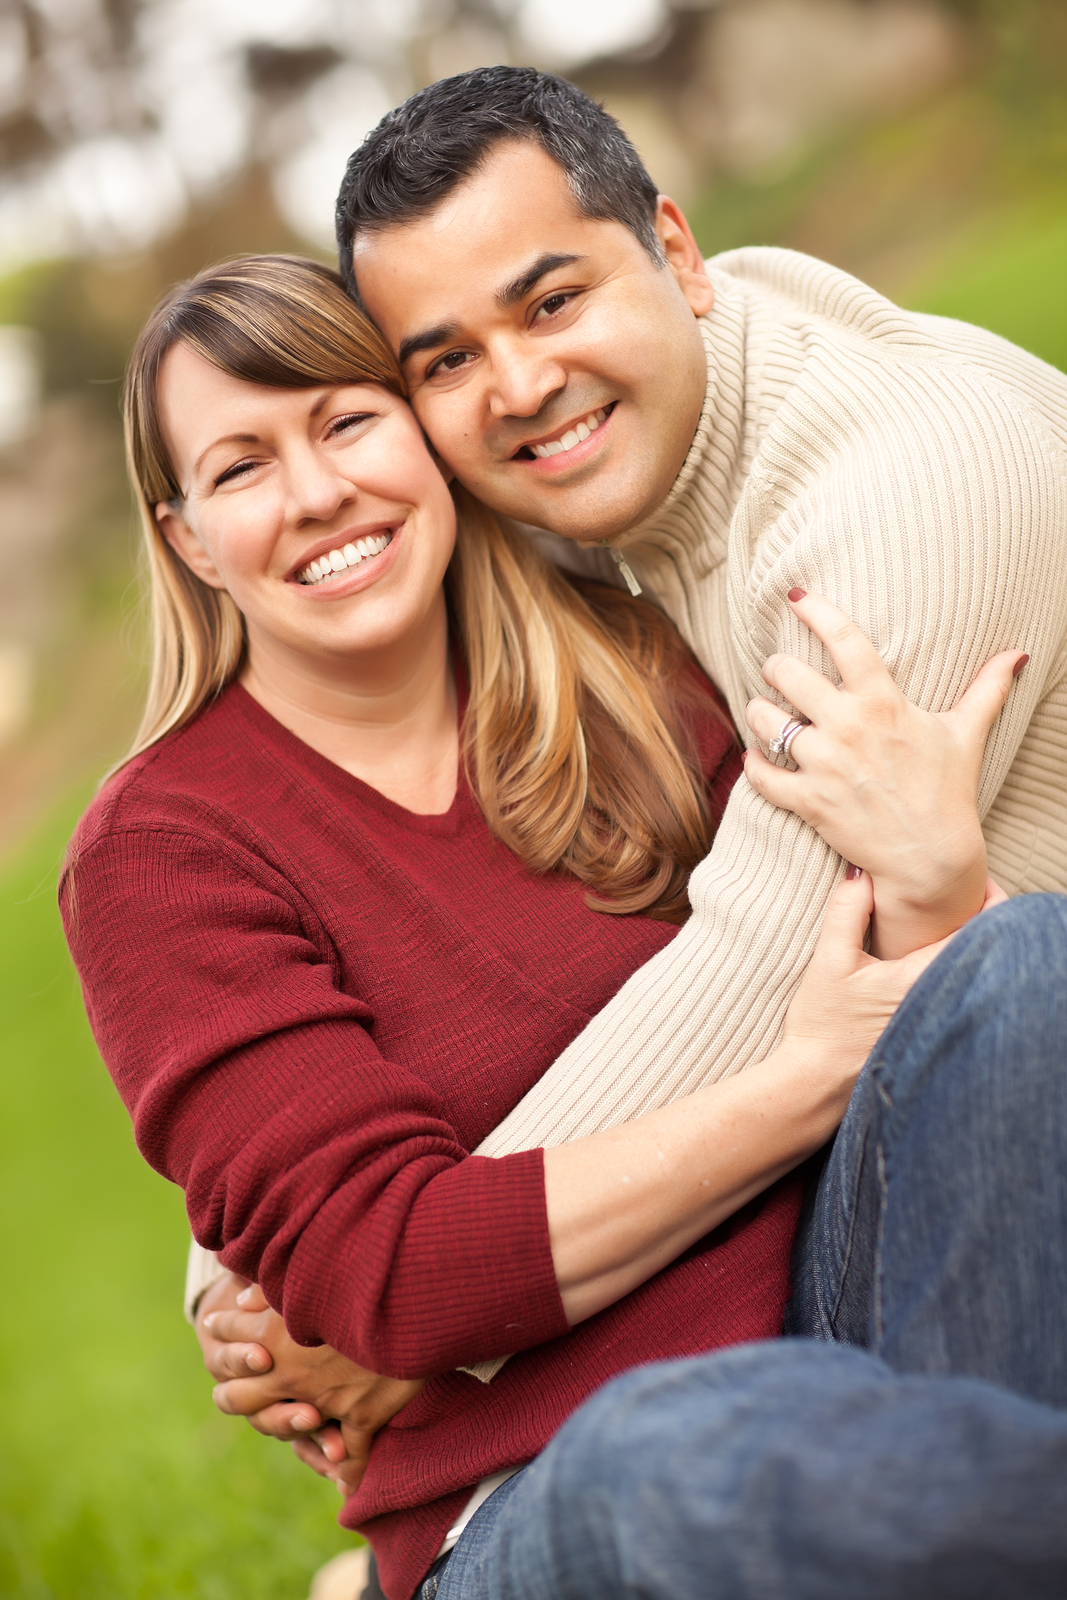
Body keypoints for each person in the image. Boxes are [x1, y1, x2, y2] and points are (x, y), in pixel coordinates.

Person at [58, 254, 1053, 1600]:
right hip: (536, 1483)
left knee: (1027, 964)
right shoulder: (164, 854)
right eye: (240, 468)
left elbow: (876, 975)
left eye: (348, 421)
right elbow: (386, 1272)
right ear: (188, 540)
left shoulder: (634, 670)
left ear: (424, 435)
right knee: (670, 1449)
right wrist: (803, 1082)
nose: (316, 494)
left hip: (847, 1332)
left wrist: (938, 876)